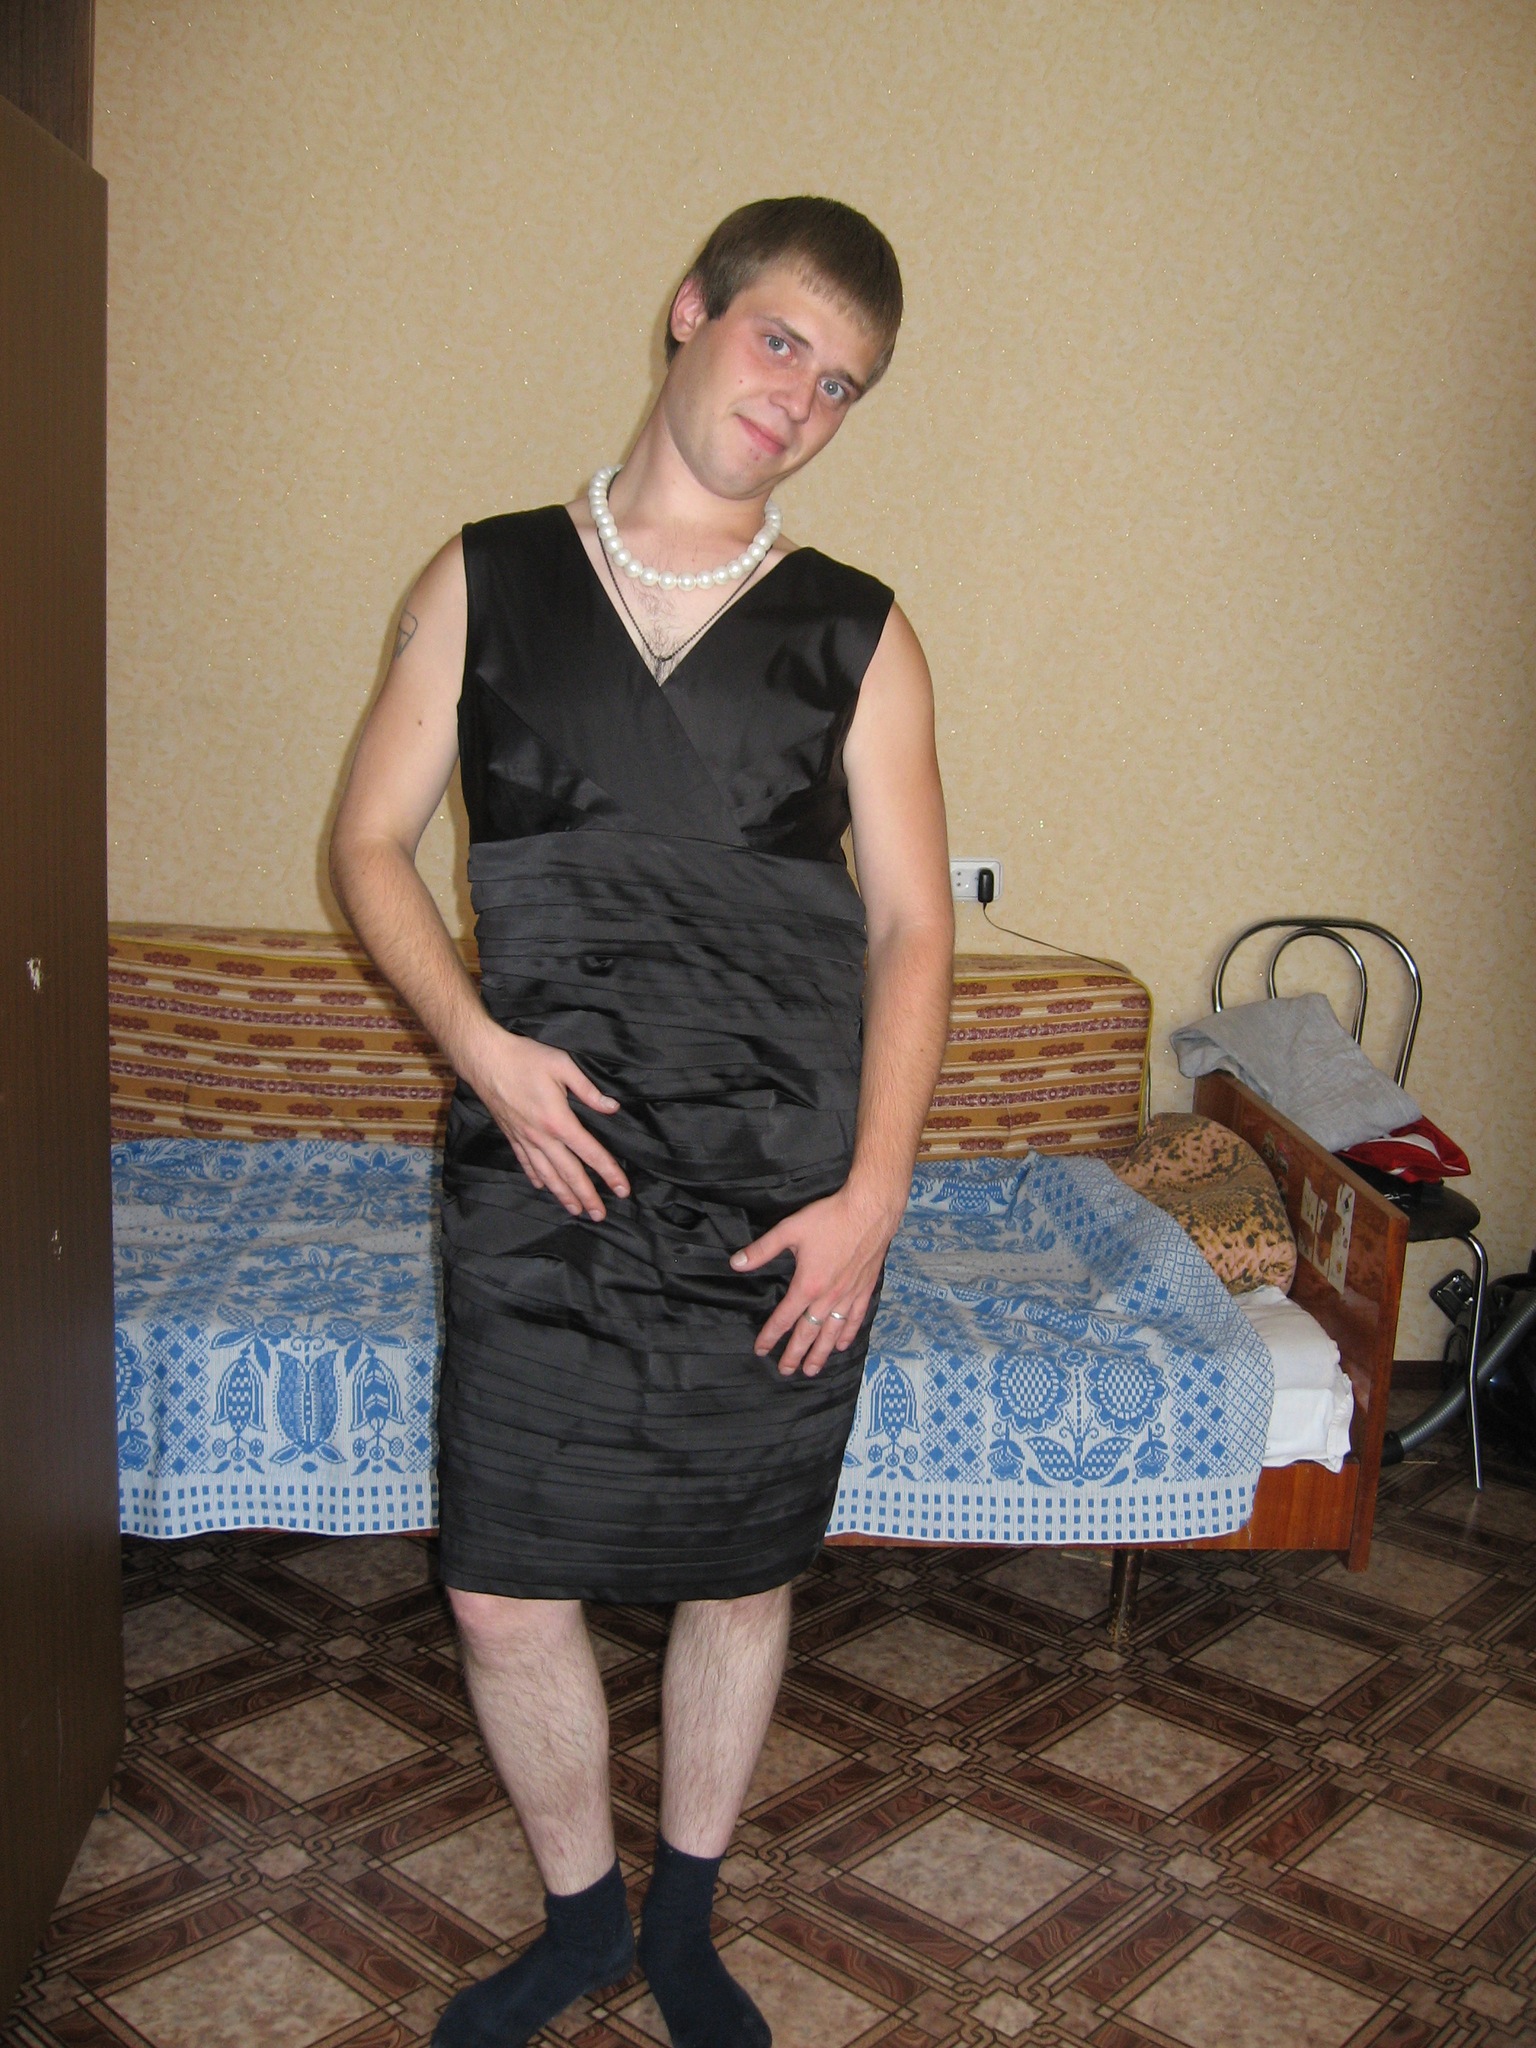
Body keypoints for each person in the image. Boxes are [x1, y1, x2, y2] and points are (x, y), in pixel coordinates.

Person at [329, 196, 953, 2048]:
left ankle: (684, 1924)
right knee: (499, 1591)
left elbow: (915, 931)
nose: (800, 400)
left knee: (738, 1575)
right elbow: (366, 843)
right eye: (781, 343)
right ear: (691, 310)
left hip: (778, 1189)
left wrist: (876, 1196)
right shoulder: (485, 577)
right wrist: (476, 1047)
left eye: (841, 385)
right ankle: (581, 1920)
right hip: (539, 1166)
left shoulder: (861, 634)